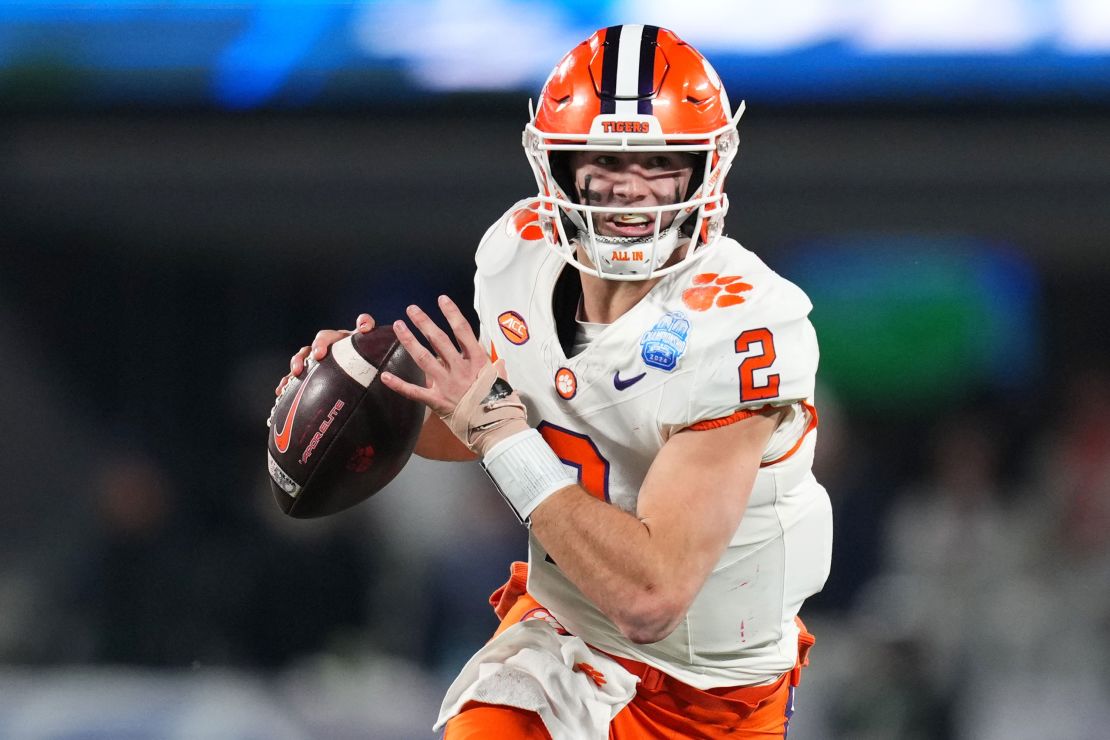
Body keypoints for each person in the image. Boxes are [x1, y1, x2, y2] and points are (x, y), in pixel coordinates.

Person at [275, 24, 832, 739]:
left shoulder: (746, 327)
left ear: (707, 167)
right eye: (605, 159)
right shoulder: (520, 254)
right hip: (565, 638)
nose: (632, 190)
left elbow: (651, 595)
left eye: (661, 162)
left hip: (710, 696)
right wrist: (377, 399)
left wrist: (501, 434)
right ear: (557, 167)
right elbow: (490, 415)